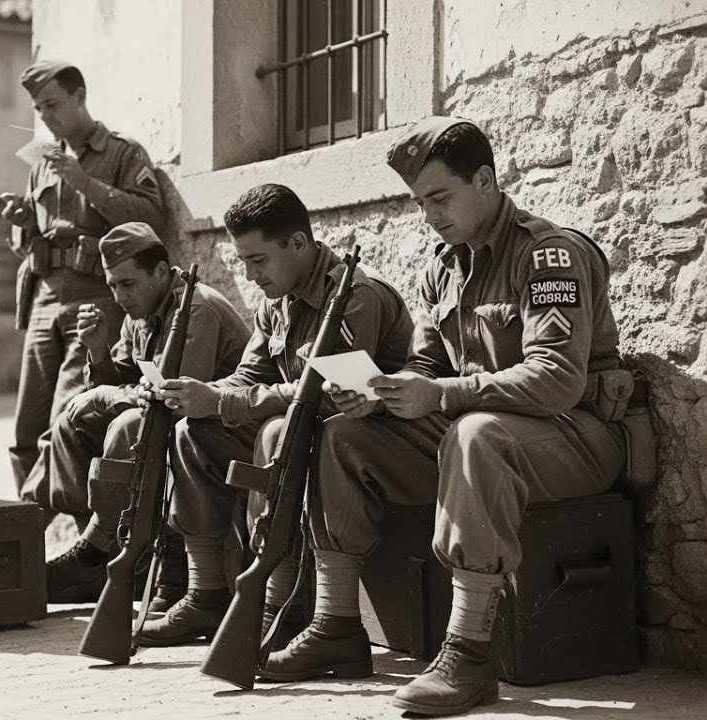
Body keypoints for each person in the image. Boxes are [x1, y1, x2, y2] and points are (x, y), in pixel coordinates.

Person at [260, 117, 629, 717]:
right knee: (344, 436)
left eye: (439, 198)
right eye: (419, 202)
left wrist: (442, 396)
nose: (429, 215)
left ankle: (469, 653)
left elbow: (558, 380)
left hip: (579, 436)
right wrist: (382, 394)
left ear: (484, 180)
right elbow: (427, 367)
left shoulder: (548, 254)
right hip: (481, 439)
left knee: (474, 432)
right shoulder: (442, 268)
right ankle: (336, 624)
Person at [139, 183, 414, 648]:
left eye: (257, 260)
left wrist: (225, 401)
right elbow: (250, 377)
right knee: (192, 430)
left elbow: (326, 396)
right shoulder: (276, 302)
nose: (248, 275)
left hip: (365, 444)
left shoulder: (354, 296)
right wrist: (196, 393)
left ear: (299, 244)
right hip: (299, 440)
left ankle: (279, 604)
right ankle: (206, 593)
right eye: (243, 261)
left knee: (273, 430)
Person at [35, 222, 249, 608]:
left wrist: (108, 393)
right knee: (71, 424)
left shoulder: (196, 309)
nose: (119, 297)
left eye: (128, 284)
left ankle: (99, 553)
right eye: (113, 285)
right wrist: (98, 354)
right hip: (174, 430)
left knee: (127, 423)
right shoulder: (142, 311)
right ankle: (100, 554)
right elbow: (122, 382)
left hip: (215, 433)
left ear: (161, 273)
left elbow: (173, 398)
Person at [0, 59, 167, 497]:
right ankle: (29, 532)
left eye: (52, 104)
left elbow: (152, 218)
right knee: (25, 428)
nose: (45, 116)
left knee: (66, 419)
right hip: (44, 298)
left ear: (79, 97)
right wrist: (21, 222)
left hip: (93, 297)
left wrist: (84, 182)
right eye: (38, 109)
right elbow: (28, 242)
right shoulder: (41, 164)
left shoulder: (122, 153)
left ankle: (55, 528)